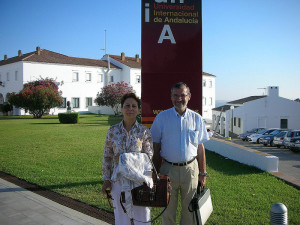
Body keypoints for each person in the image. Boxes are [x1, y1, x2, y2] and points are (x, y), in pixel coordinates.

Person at [150, 82, 210, 225]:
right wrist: (154, 172)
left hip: (190, 170)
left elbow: (200, 148)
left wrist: (203, 173)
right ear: (171, 97)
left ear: (189, 96)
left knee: (190, 211)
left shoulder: (197, 118)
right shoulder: (162, 118)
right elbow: (155, 146)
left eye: (182, 95)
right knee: (167, 211)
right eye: (175, 95)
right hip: (167, 169)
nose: (179, 99)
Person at [101, 93, 153, 225]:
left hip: (139, 181)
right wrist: (106, 179)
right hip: (118, 181)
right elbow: (107, 156)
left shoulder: (144, 131)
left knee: (142, 217)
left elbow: (149, 157)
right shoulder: (112, 131)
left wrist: (126, 159)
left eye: (134, 106)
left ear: (138, 109)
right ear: (122, 108)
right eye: (127, 106)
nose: (130, 108)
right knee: (121, 217)